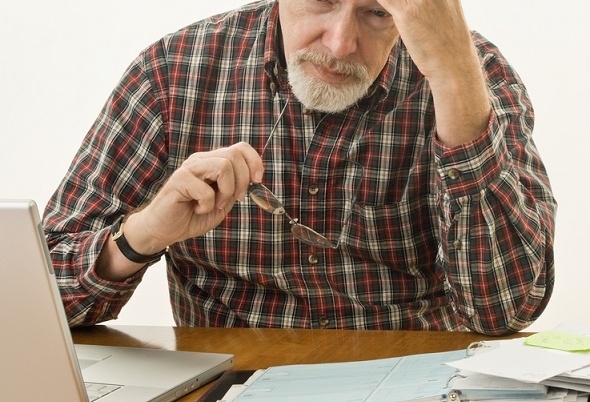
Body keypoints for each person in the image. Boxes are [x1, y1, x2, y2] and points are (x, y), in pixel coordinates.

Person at [43, 0, 556, 336]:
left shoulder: (474, 76)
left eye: (376, 13)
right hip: (232, 381)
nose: (339, 44)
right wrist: (142, 234)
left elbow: (506, 310)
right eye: (322, 0)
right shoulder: (175, 71)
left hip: (418, 380)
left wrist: (452, 81)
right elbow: (39, 305)